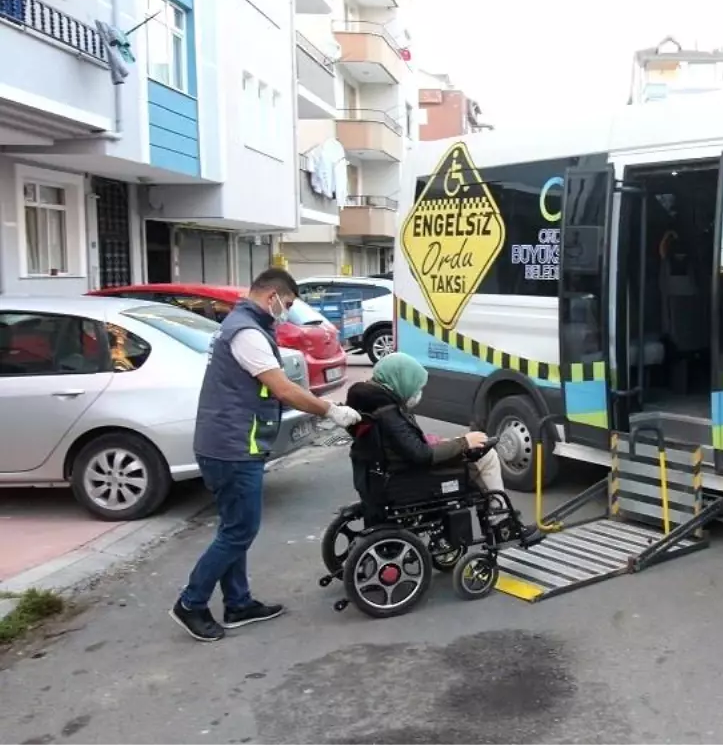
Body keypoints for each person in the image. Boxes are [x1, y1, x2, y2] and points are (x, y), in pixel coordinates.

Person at [170, 268, 362, 643]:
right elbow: (283, 389)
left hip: (230, 442)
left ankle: (238, 604)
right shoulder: (246, 332)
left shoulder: (243, 325)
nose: (287, 311)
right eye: (287, 304)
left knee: (233, 529)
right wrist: (329, 411)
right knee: (240, 530)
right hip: (232, 447)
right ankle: (191, 603)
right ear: (272, 295)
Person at [344, 352, 542, 543]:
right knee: (486, 454)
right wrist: (465, 442)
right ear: (400, 381)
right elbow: (421, 455)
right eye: (415, 387)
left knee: (470, 444)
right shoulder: (388, 412)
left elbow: (402, 445)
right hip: (406, 477)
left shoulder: (366, 404)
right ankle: (501, 523)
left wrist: (444, 442)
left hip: (377, 475)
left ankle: (499, 518)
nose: (417, 393)